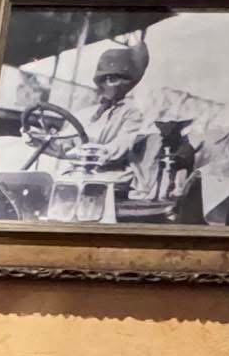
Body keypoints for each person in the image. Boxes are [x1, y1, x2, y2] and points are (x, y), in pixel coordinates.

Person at [60, 40, 157, 221]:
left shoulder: (132, 113)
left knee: (91, 204)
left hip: (111, 175)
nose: (108, 83)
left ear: (127, 82)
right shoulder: (89, 112)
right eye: (104, 79)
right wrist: (37, 139)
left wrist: (94, 152)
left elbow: (123, 144)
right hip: (78, 174)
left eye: (114, 79)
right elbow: (64, 142)